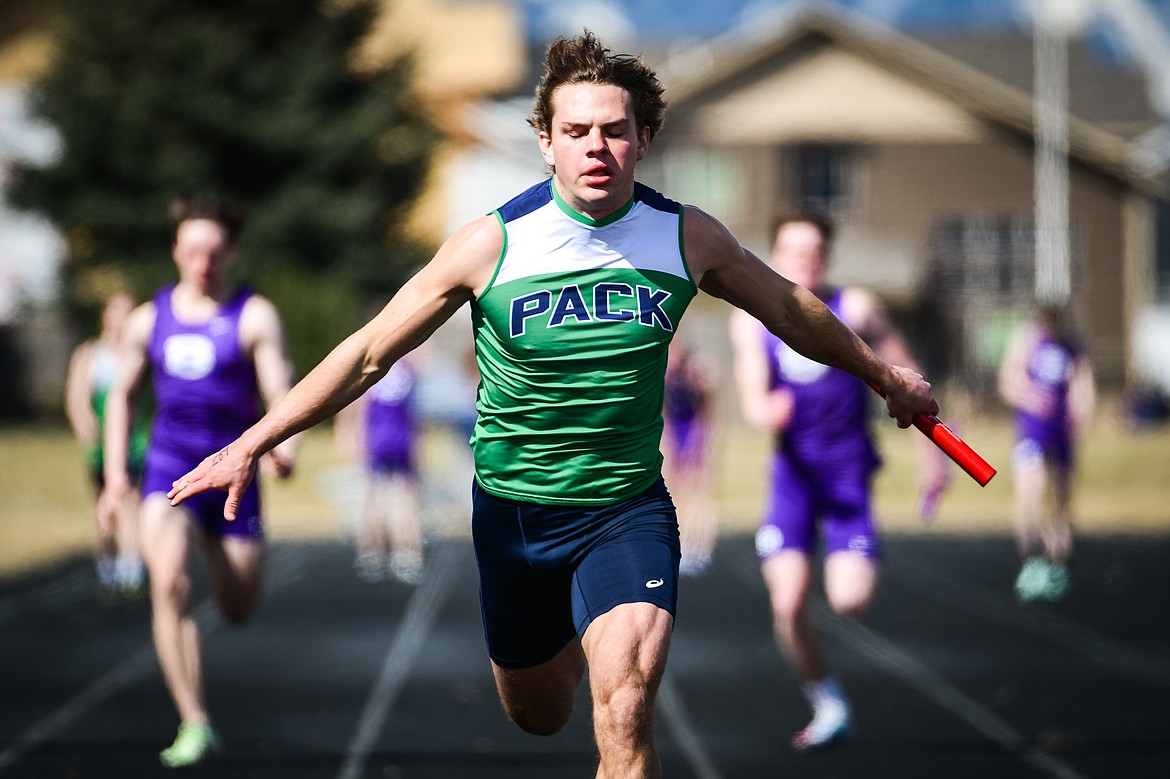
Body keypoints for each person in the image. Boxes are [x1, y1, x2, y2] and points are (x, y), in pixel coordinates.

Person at [168, 32, 940, 778]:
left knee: (626, 708)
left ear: (646, 137)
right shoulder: (491, 245)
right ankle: (570, 636)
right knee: (539, 712)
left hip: (625, 510)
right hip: (515, 516)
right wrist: (252, 440)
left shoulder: (687, 238)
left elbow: (791, 310)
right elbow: (371, 351)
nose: (595, 148)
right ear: (545, 140)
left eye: (614, 131)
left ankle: (604, 635)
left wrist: (887, 377)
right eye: (576, 131)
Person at [729, 210, 950, 752]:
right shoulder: (751, 320)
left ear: (826, 256)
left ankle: (846, 577)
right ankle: (827, 703)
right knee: (787, 604)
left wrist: (935, 456)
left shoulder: (857, 309)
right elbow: (753, 399)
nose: (804, 260)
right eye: (792, 251)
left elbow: (908, 380)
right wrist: (766, 410)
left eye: (813, 251)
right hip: (793, 478)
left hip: (848, 473)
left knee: (849, 601)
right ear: (776, 256)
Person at [101, 194, 297, 768]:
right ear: (176, 252)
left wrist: (283, 449)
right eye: (192, 253)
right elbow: (122, 397)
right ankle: (195, 721)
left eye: (213, 253)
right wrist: (116, 475)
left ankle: (213, 543)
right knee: (169, 583)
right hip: (170, 472)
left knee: (237, 605)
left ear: (231, 251)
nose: (203, 265)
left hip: (234, 474)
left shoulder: (254, 315)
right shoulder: (147, 318)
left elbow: (280, 393)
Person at [997, 302, 1095, 602]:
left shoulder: (1071, 345)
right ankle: (1030, 559)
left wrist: (1084, 410)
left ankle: (1057, 562)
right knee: (1032, 489)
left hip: (1061, 433)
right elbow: (1007, 383)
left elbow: (1083, 384)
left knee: (1062, 498)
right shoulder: (1027, 340)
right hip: (1033, 432)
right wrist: (1029, 397)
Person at [64, 291, 149, 599]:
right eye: (116, 313)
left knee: (132, 502)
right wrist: (85, 425)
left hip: (135, 442)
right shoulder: (90, 354)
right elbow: (77, 398)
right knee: (104, 505)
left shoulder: (139, 353)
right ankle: (107, 563)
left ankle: (131, 565)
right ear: (105, 317)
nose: (121, 320)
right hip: (102, 446)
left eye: (128, 313)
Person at [334, 356, 425, 584]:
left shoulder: (372, 364)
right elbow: (414, 409)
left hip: (377, 438)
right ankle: (407, 552)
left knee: (371, 497)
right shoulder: (407, 367)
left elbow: (356, 403)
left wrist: (350, 435)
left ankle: (371, 552)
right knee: (406, 498)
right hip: (401, 438)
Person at [661, 337, 719, 575]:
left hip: (695, 431)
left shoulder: (695, 375)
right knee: (674, 491)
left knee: (699, 490)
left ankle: (702, 547)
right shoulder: (664, 376)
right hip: (674, 432)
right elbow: (663, 412)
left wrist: (701, 443)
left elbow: (707, 412)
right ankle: (682, 545)